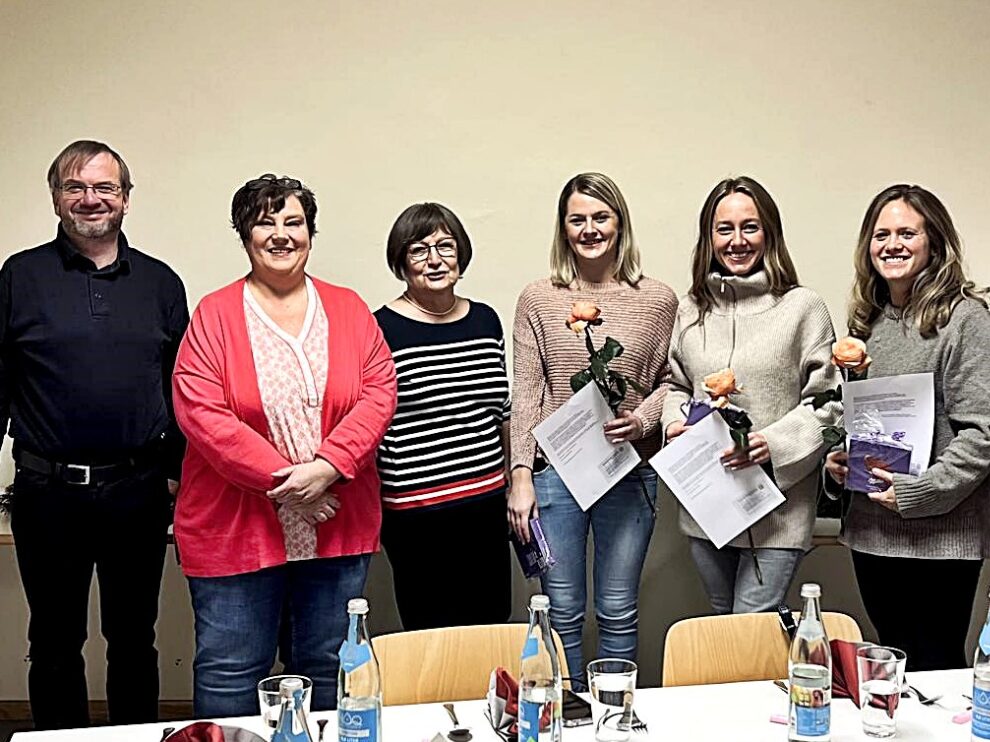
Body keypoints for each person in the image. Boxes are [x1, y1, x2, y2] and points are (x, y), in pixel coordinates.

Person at [172, 174, 396, 716]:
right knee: (232, 669)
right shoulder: (214, 314)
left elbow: (379, 391)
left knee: (327, 667)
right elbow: (202, 413)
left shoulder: (348, 308)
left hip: (337, 525)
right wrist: (294, 488)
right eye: (264, 222)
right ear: (244, 235)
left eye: (293, 222)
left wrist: (329, 467)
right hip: (235, 529)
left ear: (310, 233)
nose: (280, 234)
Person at [0, 140, 187, 729]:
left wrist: (177, 474)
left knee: (134, 639)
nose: (90, 199)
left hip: (138, 491)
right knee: (54, 641)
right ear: (55, 197)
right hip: (46, 492)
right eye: (75, 187)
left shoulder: (160, 283)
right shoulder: (19, 276)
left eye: (104, 187)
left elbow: (183, 388)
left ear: (125, 199)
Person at [825, 184, 990, 671]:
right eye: (881, 235)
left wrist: (920, 491)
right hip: (872, 532)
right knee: (893, 665)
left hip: (940, 537)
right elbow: (862, 419)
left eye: (907, 233)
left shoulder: (967, 322)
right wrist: (842, 461)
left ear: (935, 243)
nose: (892, 245)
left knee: (935, 668)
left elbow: (984, 433)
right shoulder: (868, 324)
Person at [508, 172, 677, 690]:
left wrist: (642, 420)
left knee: (618, 609)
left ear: (620, 223)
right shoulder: (538, 299)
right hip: (555, 475)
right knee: (561, 610)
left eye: (601, 217)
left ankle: (613, 712)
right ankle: (568, 711)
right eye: (577, 219)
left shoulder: (659, 299)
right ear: (563, 228)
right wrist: (520, 475)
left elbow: (675, 382)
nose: (589, 229)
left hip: (628, 470)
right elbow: (528, 391)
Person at [660, 176, 840, 614]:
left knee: (751, 625)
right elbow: (675, 384)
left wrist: (772, 445)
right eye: (724, 229)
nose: (737, 241)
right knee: (723, 626)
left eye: (750, 227)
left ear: (769, 233)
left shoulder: (803, 308)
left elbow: (829, 402)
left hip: (778, 512)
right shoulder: (690, 310)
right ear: (709, 238)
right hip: (708, 506)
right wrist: (673, 423)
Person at [374, 202, 512, 630]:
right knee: (431, 634)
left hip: (486, 505)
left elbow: (503, 411)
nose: (434, 260)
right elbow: (370, 421)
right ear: (401, 262)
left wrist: (513, 482)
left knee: (491, 626)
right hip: (417, 513)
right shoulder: (379, 329)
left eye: (445, 246)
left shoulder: (485, 320)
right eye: (419, 250)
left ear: (460, 254)